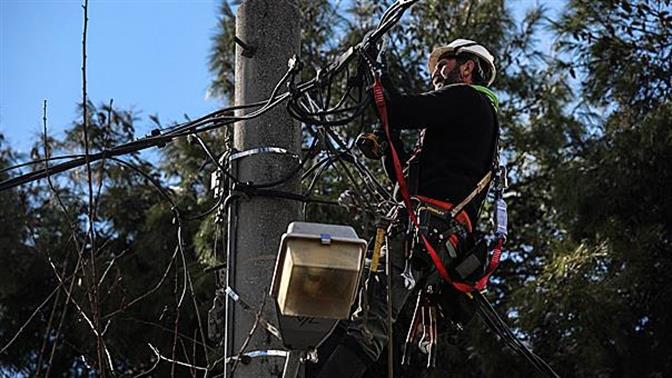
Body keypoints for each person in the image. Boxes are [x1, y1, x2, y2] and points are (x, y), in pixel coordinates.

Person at [312, 39, 500, 377]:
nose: (436, 75)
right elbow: (405, 183)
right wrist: (389, 147)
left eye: (444, 65)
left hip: (428, 230)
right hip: (439, 239)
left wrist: (374, 71)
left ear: (467, 67)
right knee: (363, 320)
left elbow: (395, 108)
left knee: (367, 327)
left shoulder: (467, 99)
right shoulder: (471, 124)